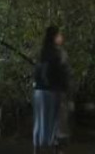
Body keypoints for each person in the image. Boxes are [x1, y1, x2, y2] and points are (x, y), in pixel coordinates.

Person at [33, 25, 70, 154]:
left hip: (40, 91)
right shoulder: (59, 53)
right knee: (56, 122)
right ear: (54, 37)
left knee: (40, 120)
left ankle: (36, 149)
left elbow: (37, 72)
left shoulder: (42, 52)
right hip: (54, 91)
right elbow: (64, 73)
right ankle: (56, 149)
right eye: (59, 35)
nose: (61, 37)